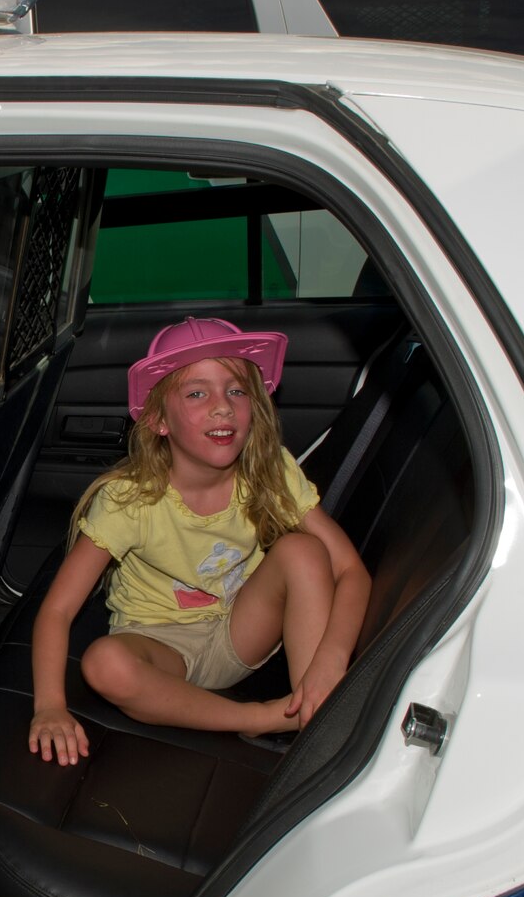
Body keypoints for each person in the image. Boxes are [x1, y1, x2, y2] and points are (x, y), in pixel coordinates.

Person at [28, 317, 369, 763]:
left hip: (240, 632)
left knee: (303, 550)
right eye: (196, 393)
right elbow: (58, 609)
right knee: (104, 664)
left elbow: (351, 571)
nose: (223, 407)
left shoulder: (269, 472)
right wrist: (50, 707)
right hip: (161, 649)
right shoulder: (129, 500)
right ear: (158, 419)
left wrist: (331, 660)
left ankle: (317, 711)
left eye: (236, 390)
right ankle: (266, 718)